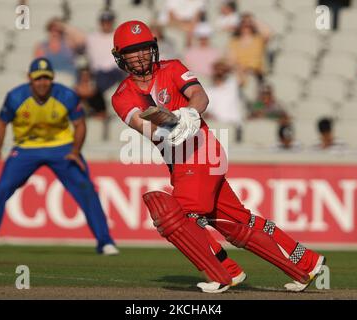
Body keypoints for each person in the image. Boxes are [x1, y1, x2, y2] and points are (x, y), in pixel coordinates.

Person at [110, 20, 325, 293]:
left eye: (144, 48)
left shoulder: (173, 67)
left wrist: (190, 113)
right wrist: (167, 130)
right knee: (238, 223)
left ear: (153, 47)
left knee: (177, 219)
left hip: (201, 150)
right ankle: (305, 262)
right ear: (120, 56)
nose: (140, 55)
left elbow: (199, 95)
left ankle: (223, 272)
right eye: (132, 50)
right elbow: (142, 125)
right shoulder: (122, 96)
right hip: (180, 161)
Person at [0, 58, 118, 255]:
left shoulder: (65, 96)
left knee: (86, 188)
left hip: (62, 148)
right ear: (30, 78)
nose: (42, 82)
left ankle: (105, 242)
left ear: (52, 79)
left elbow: (80, 124)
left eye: (46, 78)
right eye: (38, 78)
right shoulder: (16, 97)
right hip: (25, 149)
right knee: (1, 189)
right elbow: (0, 123)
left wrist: (74, 152)